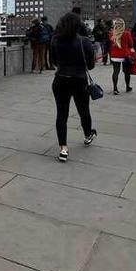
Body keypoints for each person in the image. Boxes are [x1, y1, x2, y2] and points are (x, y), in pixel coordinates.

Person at [50, 12, 97, 162]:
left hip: (60, 80)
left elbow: (53, 61)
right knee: (84, 111)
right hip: (79, 80)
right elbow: (90, 65)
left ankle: (63, 148)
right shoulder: (85, 42)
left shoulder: (55, 40)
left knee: (61, 114)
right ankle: (88, 135)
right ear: (78, 26)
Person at [108, 18, 136, 95]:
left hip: (114, 55)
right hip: (125, 55)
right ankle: (127, 87)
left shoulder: (112, 34)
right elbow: (131, 45)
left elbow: (110, 43)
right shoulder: (127, 33)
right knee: (126, 72)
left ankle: (115, 88)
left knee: (115, 72)